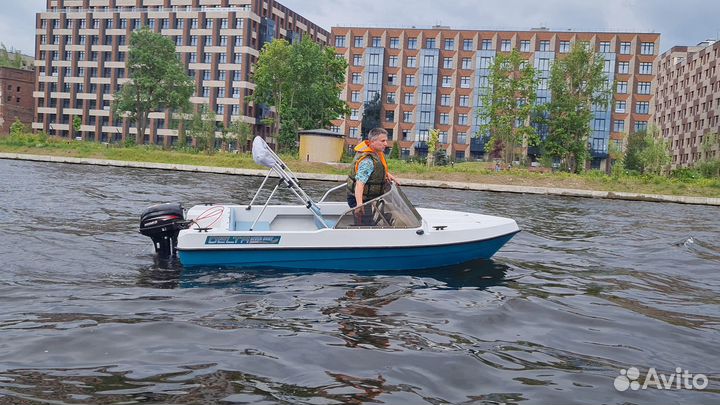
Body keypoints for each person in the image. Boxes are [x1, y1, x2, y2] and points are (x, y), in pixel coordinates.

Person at [346, 128, 399, 214]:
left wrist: (388, 175)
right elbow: (359, 184)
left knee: (370, 221)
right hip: (359, 199)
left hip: (367, 198)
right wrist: (359, 205)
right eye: (382, 141)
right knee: (364, 225)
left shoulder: (376, 153)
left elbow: (376, 169)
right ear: (372, 142)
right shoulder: (367, 161)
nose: (386, 144)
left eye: (386, 140)